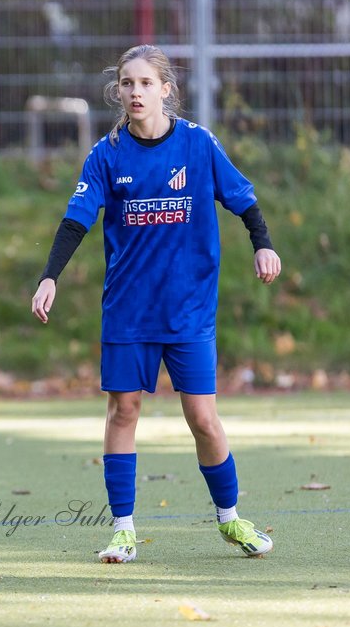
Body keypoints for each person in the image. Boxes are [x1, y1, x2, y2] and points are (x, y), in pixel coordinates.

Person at [31, 44, 282, 564]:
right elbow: (77, 218)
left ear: (166, 89)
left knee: (203, 419)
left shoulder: (198, 145)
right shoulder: (107, 154)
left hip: (188, 310)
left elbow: (243, 199)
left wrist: (263, 243)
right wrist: (50, 276)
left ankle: (231, 521)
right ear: (118, 91)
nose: (135, 92)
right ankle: (122, 530)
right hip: (128, 310)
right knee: (123, 409)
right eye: (127, 84)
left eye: (146, 83)